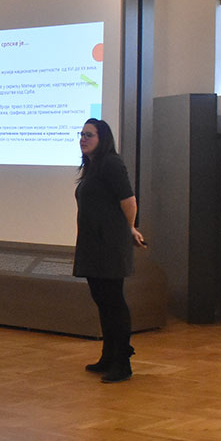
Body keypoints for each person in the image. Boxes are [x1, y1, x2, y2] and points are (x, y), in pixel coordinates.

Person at [73, 118, 146, 383]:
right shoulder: (92, 167)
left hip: (110, 244)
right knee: (102, 300)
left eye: (89, 135)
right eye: (81, 134)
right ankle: (108, 355)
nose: (83, 139)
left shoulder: (111, 163)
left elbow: (129, 200)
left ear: (102, 138)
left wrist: (130, 228)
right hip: (93, 243)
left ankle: (122, 362)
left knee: (113, 301)